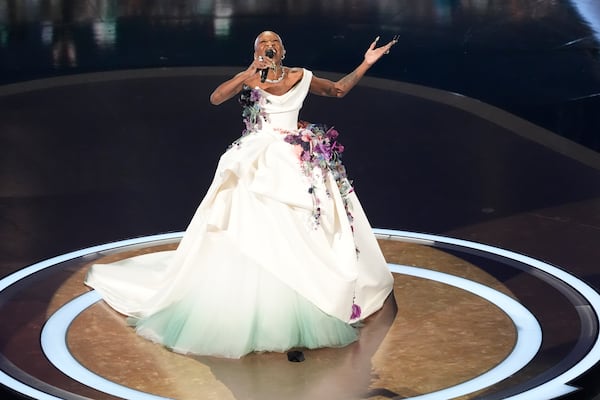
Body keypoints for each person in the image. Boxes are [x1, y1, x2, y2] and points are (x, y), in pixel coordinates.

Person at [85, 31, 398, 359]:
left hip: (295, 155)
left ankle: (307, 293)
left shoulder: (300, 75)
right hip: (260, 157)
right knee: (252, 222)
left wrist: (365, 63)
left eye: (274, 41)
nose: (269, 46)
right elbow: (216, 98)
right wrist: (247, 75)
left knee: (303, 225)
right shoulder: (250, 77)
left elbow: (337, 89)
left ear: (284, 48)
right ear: (255, 51)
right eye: (262, 43)